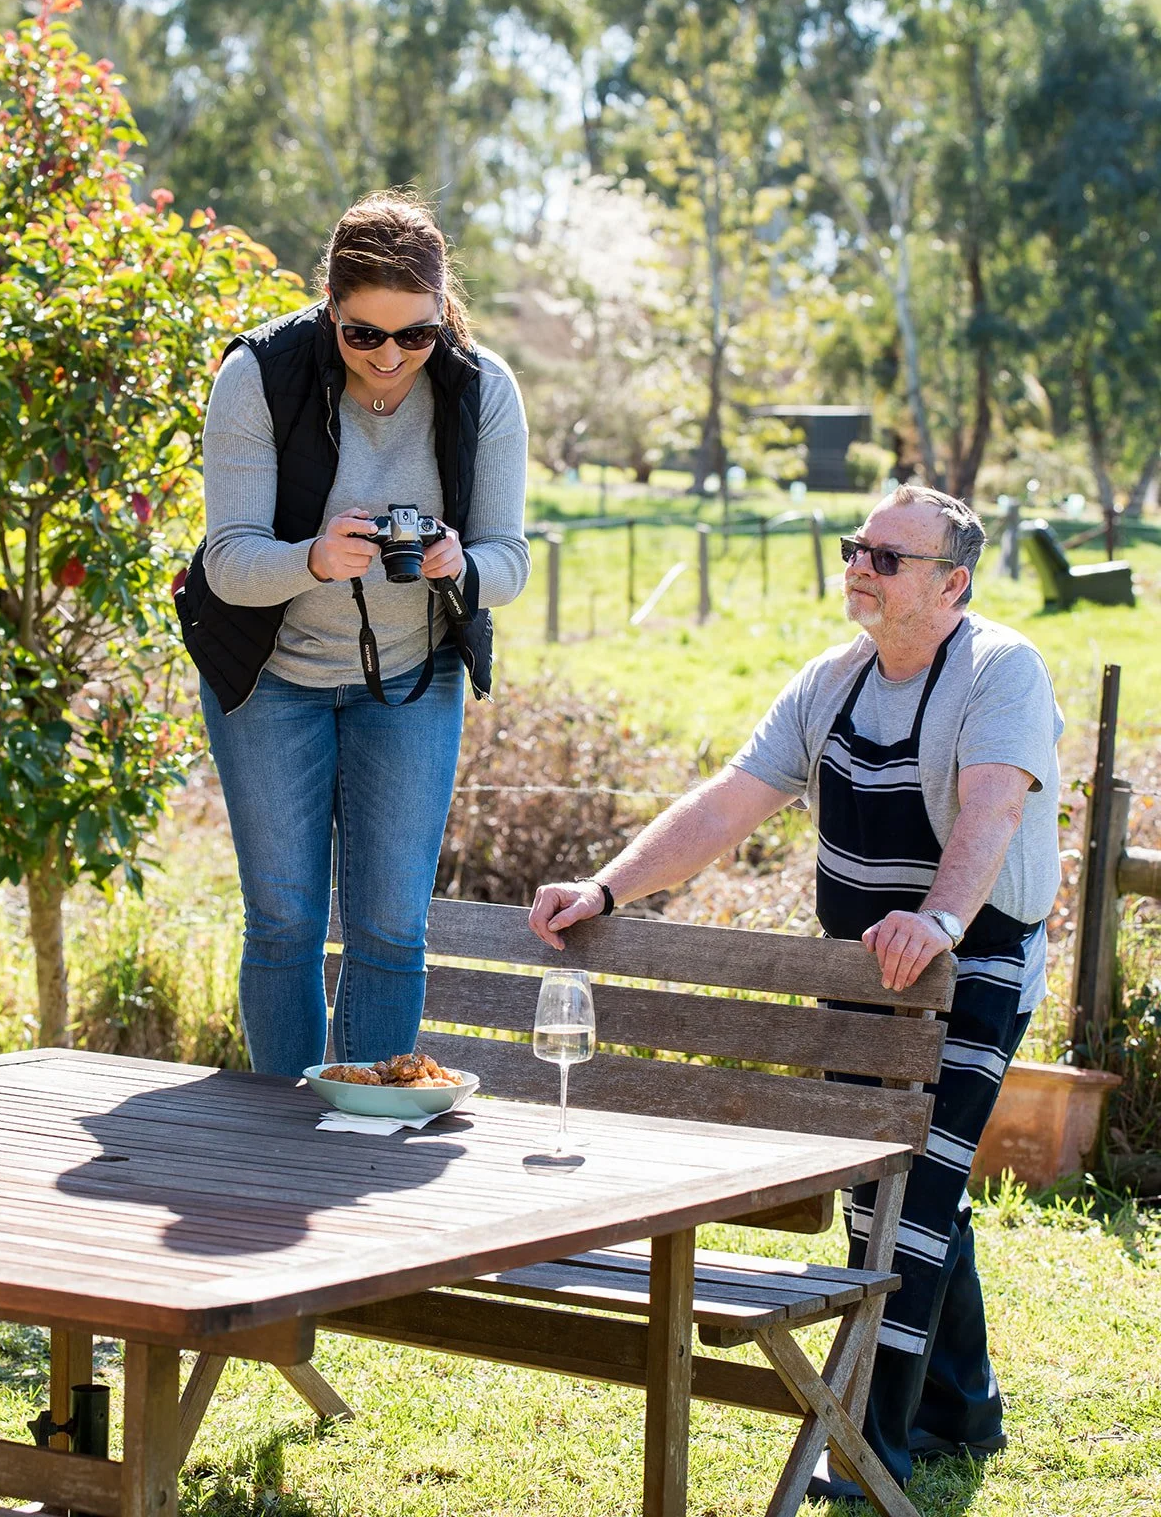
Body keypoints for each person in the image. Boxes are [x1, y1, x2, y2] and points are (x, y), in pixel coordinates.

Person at [529, 485, 1063, 1500]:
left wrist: (937, 922)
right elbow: (728, 803)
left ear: (951, 583)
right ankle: (964, 1412)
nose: (858, 564)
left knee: (903, 1201)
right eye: (854, 546)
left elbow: (989, 814)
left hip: (973, 961)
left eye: (886, 556)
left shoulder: (1001, 670)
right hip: (857, 972)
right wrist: (605, 886)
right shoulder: (829, 680)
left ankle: (870, 1446)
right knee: (893, 1191)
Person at [177, 191, 530, 1078]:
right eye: (363, 333)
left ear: (442, 313)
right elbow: (229, 562)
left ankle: (365, 1118)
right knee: (287, 919)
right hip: (270, 680)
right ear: (329, 306)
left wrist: (459, 564)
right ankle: (283, 1133)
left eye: (415, 335)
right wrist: (317, 559)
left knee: (388, 923)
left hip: (412, 680)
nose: (389, 356)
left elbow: (510, 557)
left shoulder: (481, 387)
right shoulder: (259, 373)